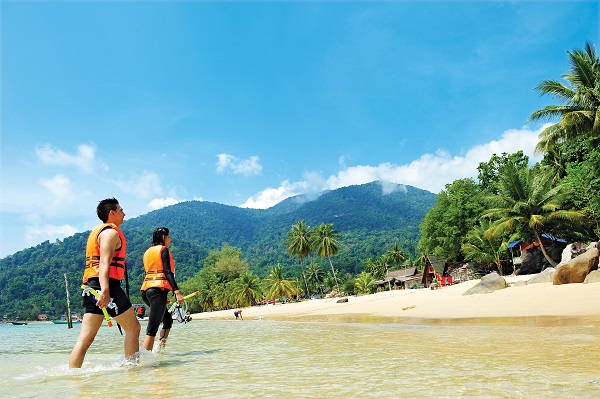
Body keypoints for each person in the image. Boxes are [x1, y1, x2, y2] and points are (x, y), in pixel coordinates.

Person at [69, 198, 141, 368]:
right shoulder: (110, 233)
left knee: (85, 340)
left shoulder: (99, 233)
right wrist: (106, 290)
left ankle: (73, 378)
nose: (124, 213)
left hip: (91, 288)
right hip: (106, 287)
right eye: (121, 210)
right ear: (112, 213)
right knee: (134, 328)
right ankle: (133, 372)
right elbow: (104, 263)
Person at [140, 227, 184, 352]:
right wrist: (177, 291)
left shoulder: (148, 252)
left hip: (147, 291)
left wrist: (164, 294)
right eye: (169, 237)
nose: (169, 240)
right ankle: (145, 361)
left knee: (167, 320)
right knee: (152, 329)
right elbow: (167, 272)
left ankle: (159, 350)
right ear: (164, 238)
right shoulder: (163, 250)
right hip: (156, 292)